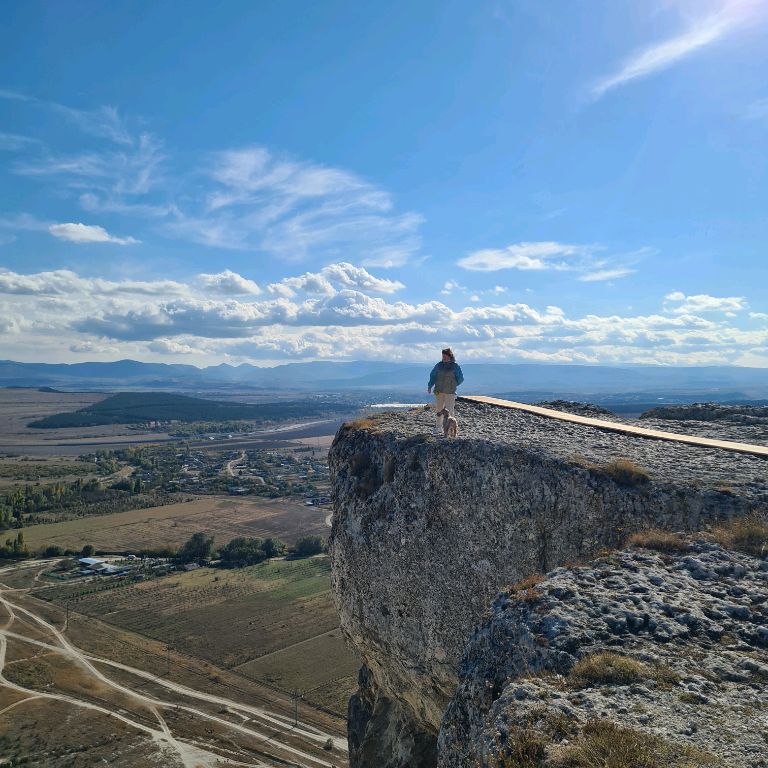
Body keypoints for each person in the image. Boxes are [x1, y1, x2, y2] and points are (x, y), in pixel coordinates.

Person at [427, 348, 464, 434]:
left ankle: (451, 430)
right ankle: (438, 427)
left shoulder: (455, 366)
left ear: (449, 356)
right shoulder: (438, 365)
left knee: (450, 410)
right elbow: (433, 375)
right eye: (443, 356)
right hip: (439, 391)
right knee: (439, 409)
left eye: (445, 356)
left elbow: (460, 378)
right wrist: (430, 386)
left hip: (450, 392)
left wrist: (453, 385)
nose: (443, 357)